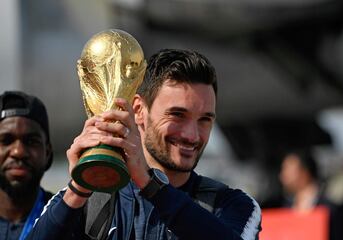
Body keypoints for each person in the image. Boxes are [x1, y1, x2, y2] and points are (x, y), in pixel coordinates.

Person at [27, 49, 262, 239]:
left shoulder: (234, 205)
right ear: (139, 110)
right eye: (177, 115)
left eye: (204, 120)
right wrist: (78, 188)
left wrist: (150, 184)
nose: (192, 135)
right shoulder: (84, 202)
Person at [0, 91, 53, 240]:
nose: (18, 152)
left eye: (31, 141)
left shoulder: (71, 219)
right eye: (6, 140)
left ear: (47, 153)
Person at [279, 148, 341, 240]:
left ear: (305, 172)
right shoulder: (284, 208)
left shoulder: (328, 209)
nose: (283, 176)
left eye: (288, 169)